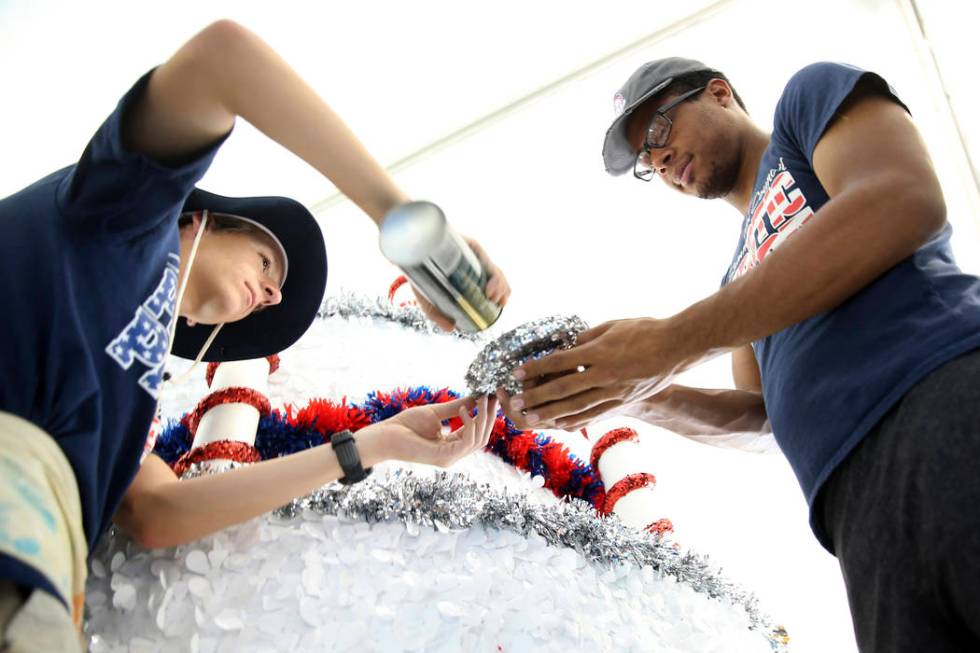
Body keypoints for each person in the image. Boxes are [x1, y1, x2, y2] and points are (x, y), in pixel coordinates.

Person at [0, 19, 507, 652]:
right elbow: (224, 59)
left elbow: (156, 514)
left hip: (49, 572)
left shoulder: (133, 404)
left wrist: (370, 446)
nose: (269, 295)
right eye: (267, 264)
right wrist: (403, 222)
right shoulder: (125, 216)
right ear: (203, 220)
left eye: (270, 299)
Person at [499, 57, 980, 651]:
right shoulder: (737, 291)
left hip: (939, 401)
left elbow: (901, 199)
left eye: (658, 131)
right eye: (647, 163)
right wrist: (633, 390)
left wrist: (667, 344)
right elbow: (765, 420)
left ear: (720, 94)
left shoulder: (804, 108)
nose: (659, 161)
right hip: (851, 512)